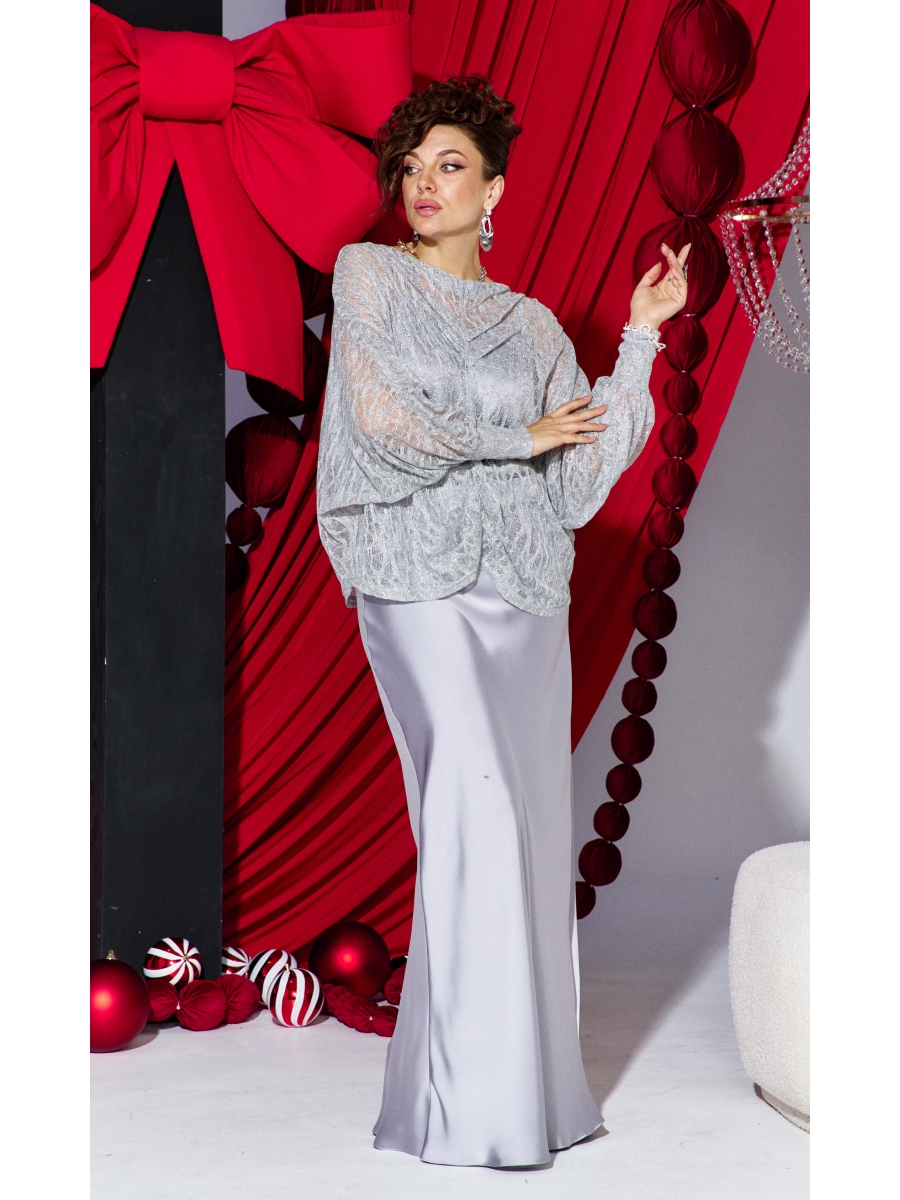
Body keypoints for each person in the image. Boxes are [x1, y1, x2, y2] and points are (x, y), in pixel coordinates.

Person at [316, 75, 689, 1168]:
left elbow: (575, 480)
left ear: (495, 192)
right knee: (470, 803)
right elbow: (381, 421)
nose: (424, 185)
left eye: (451, 167)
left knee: (518, 829)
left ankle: (523, 1097)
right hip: (413, 573)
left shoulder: (532, 327)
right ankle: (471, 1111)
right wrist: (514, 438)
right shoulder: (370, 276)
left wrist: (639, 341)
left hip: (524, 594)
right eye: (412, 168)